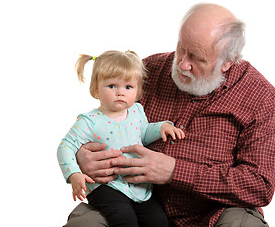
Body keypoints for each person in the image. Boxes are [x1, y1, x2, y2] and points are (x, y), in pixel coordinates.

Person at [64, 3, 275, 227]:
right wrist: (81, 157)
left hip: (213, 215)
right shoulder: (149, 70)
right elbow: (102, 123)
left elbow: (259, 185)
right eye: (181, 48)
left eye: (197, 58)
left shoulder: (260, 96)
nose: (183, 63)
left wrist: (175, 172)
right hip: (131, 202)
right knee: (85, 223)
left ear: (227, 62)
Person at [57, 50, 185, 227]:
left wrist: (161, 127)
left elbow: (143, 133)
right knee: (124, 220)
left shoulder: (136, 111)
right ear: (96, 89)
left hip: (138, 187)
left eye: (128, 87)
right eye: (112, 86)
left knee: (158, 220)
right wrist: (74, 173)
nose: (120, 93)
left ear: (137, 91)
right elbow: (65, 146)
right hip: (107, 187)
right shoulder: (90, 121)